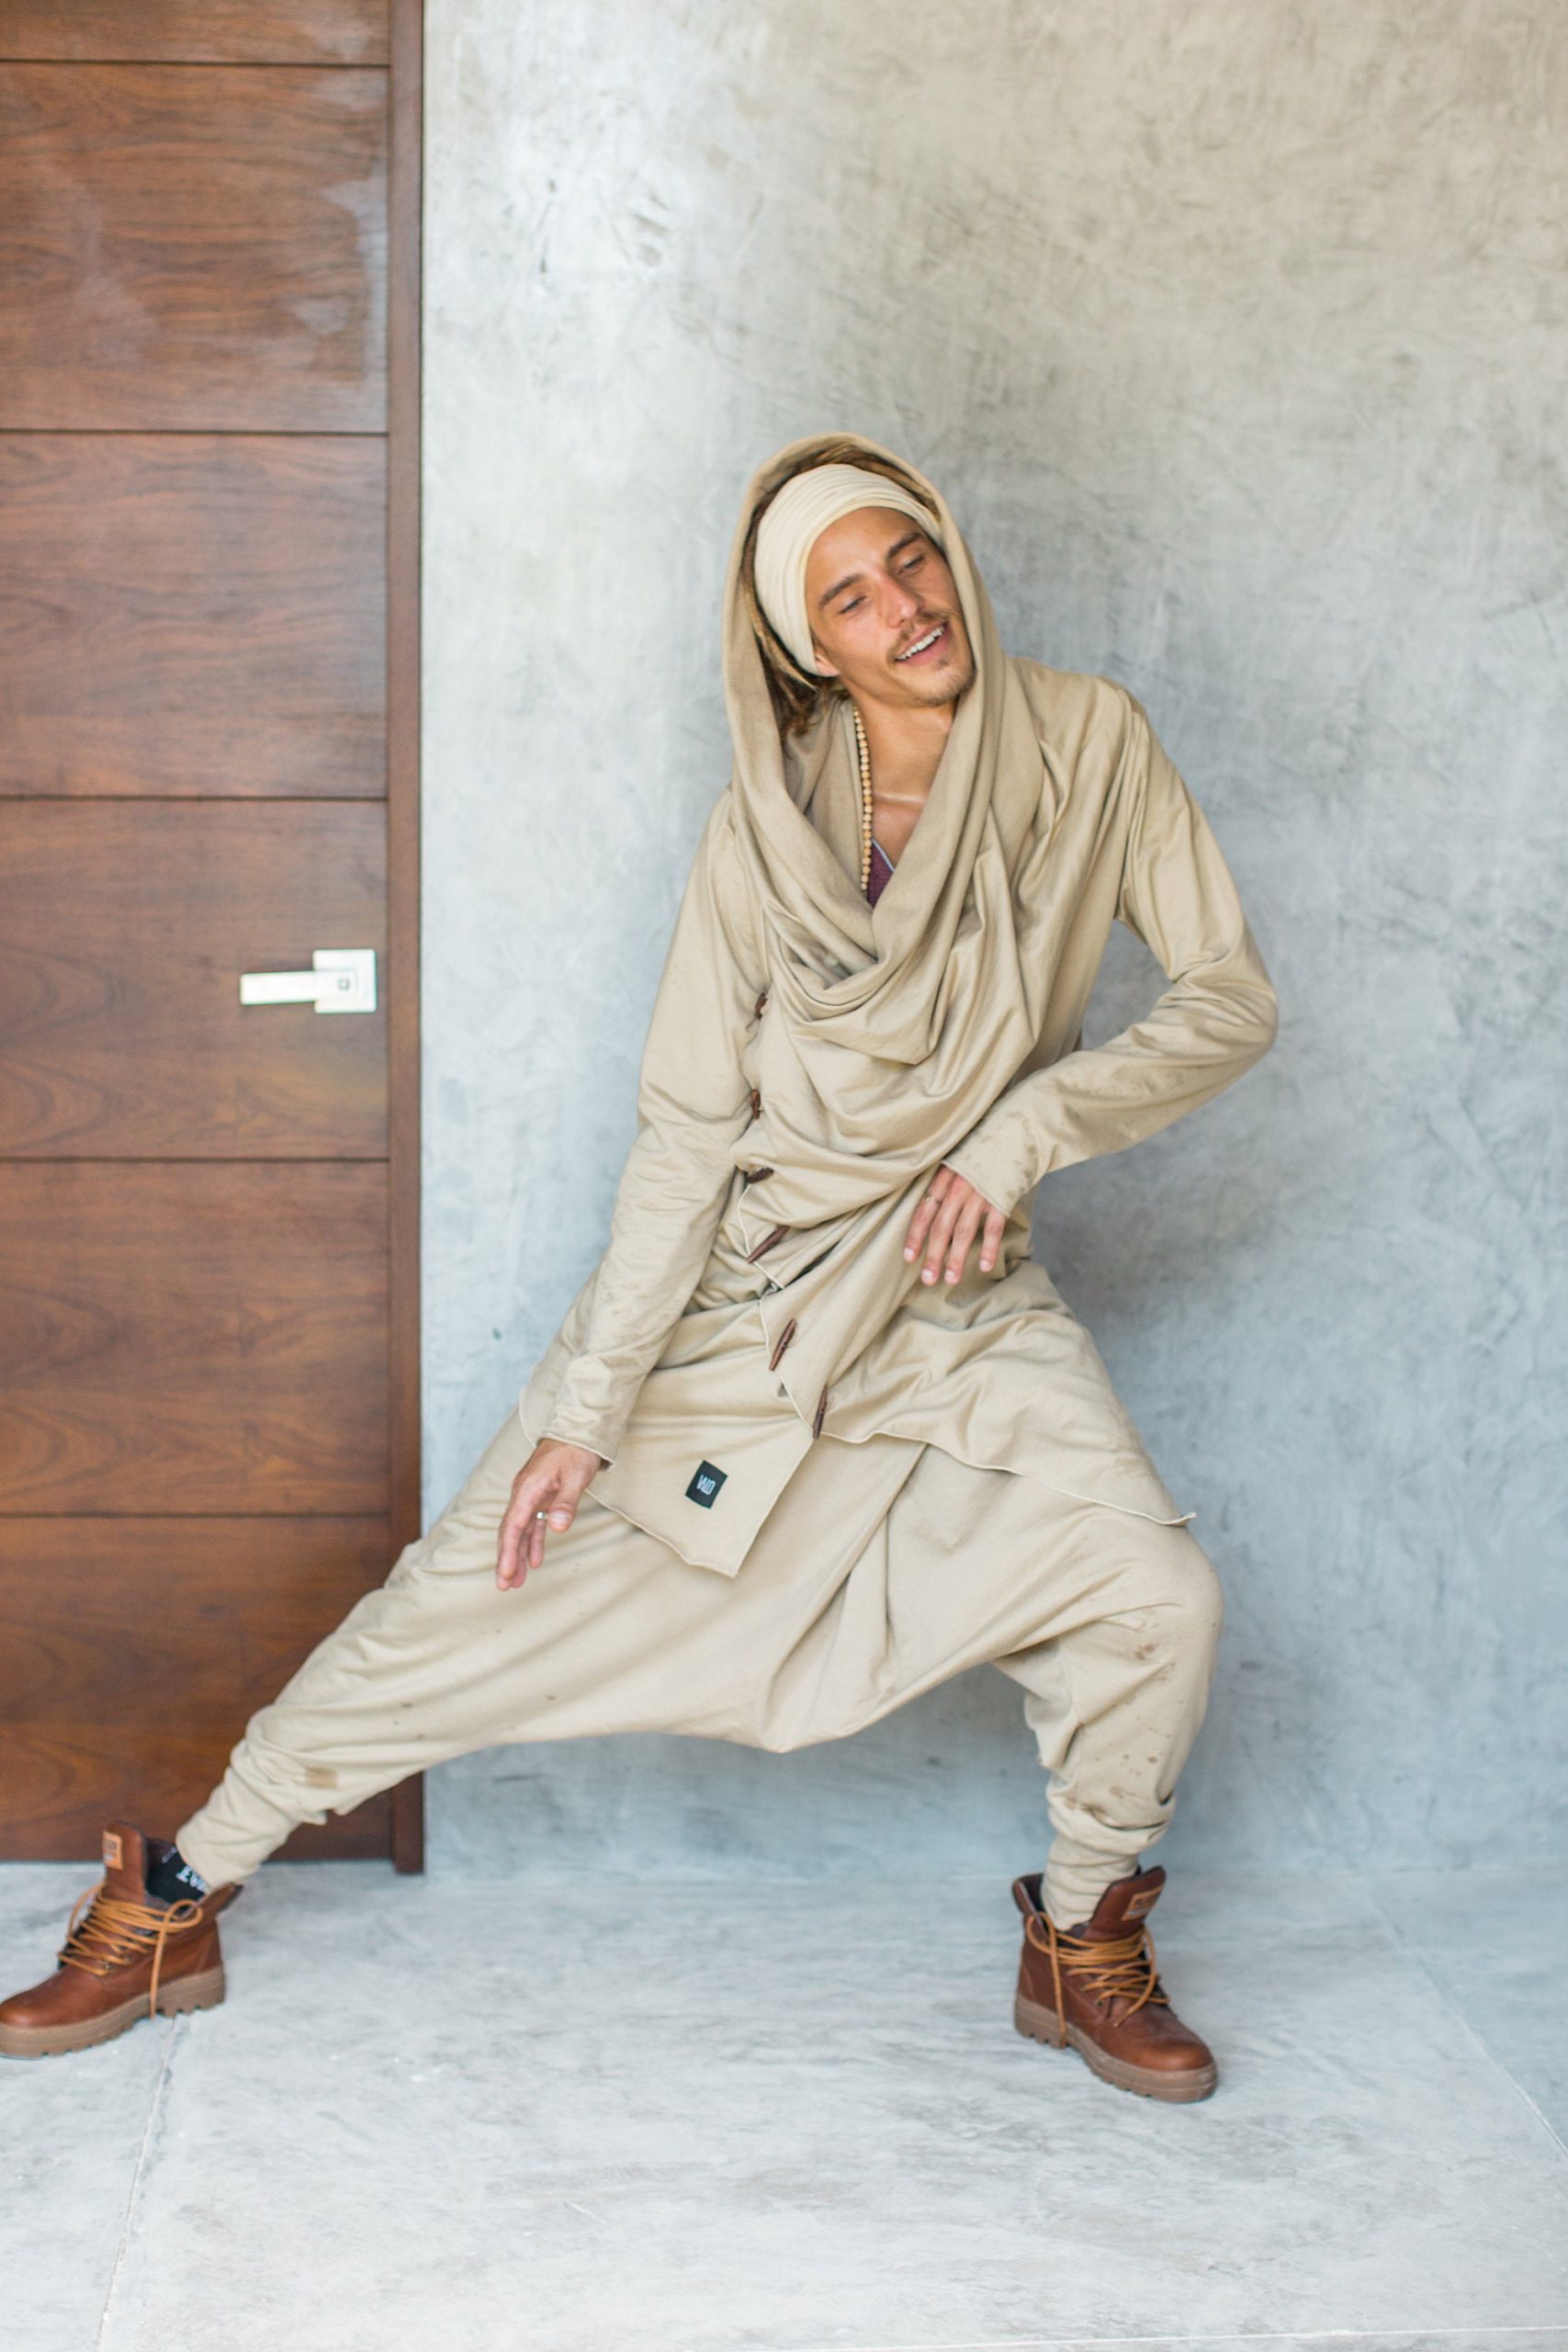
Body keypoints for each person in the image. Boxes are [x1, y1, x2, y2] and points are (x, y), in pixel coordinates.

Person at [0, 432, 1277, 2102]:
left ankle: (1086, 1933)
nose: (905, 606)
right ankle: (175, 1893)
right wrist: (587, 1413)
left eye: (911, 558)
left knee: (1159, 1600)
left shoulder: (1093, 742)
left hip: (956, 1296)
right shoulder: (764, 831)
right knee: (464, 1594)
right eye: (849, 595)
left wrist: (1026, 1129)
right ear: (805, 645)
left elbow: (1228, 999)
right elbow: (687, 1132)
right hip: (744, 1301)